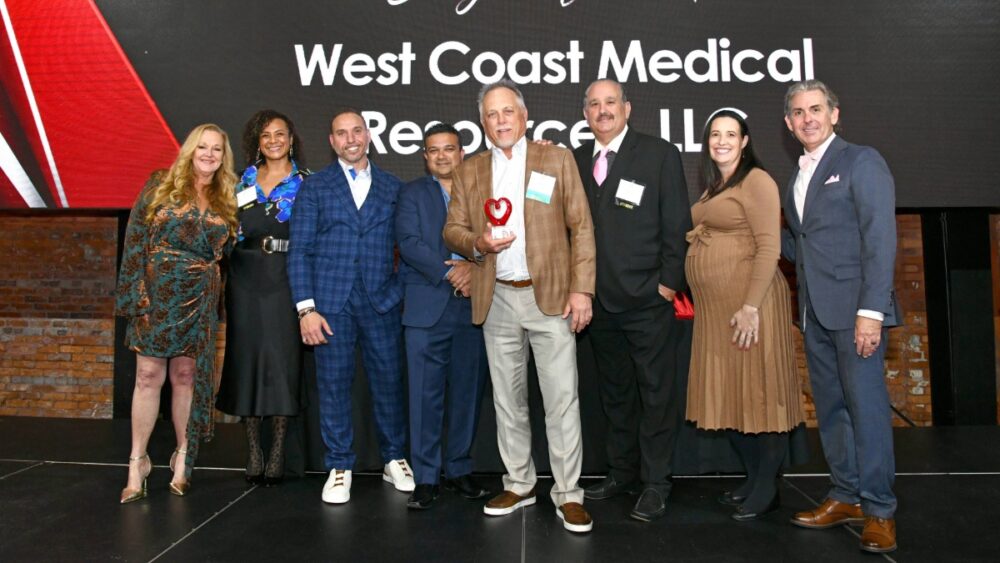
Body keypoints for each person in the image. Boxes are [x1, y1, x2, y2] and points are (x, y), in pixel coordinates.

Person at [443, 80, 597, 534]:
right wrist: (477, 242)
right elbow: (453, 230)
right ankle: (519, 482)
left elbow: (582, 227)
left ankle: (568, 493)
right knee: (509, 402)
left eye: (508, 111)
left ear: (524, 116)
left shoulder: (556, 158)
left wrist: (582, 290)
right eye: (492, 114)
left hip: (549, 296)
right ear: (483, 123)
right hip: (498, 299)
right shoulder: (469, 171)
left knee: (561, 400)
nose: (501, 120)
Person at [780, 80, 900, 553]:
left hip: (856, 316)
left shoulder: (861, 161)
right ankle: (846, 495)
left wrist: (871, 312)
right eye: (797, 112)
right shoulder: (797, 175)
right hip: (814, 314)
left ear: (834, 113)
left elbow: (879, 239)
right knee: (832, 412)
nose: (807, 118)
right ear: (789, 124)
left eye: (815, 109)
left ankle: (880, 509)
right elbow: (801, 244)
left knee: (866, 412)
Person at [572, 79, 693, 522]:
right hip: (597, 304)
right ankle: (621, 471)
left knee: (656, 394)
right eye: (594, 105)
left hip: (647, 300)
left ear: (628, 108)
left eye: (610, 103)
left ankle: (657, 482)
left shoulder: (658, 154)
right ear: (585, 114)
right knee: (616, 393)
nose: (602, 111)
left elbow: (678, 222)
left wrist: (667, 284)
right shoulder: (577, 160)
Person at [288, 108, 414, 504]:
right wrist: (307, 310)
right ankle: (339, 464)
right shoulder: (316, 187)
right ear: (332, 141)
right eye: (341, 133)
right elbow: (300, 251)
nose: (350, 139)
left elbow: (408, 248)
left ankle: (395, 459)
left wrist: (396, 294)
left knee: (390, 383)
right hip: (330, 306)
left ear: (369, 135)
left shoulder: (395, 187)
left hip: (381, 303)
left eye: (356, 131)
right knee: (333, 385)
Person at [684, 109, 804, 521]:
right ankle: (754, 480)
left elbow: (770, 247)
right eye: (715, 134)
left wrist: (751, 306)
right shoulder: (714, 187)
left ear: (745, 140)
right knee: (735, 397)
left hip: (750, 308)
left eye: (730, 134)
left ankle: (767, 488)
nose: (721, 141)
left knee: (760, 395)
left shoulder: (758, 181)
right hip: (718, 313)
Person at [115, 124, 238, 502]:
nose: (209, 154)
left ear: (223, 157)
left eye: (217, 149)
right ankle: (137, 460)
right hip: (157, 294)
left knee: (186, 375)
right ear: (189, 149)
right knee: (148, 376)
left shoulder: (228, 197)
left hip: (199, 298)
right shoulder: (159, 185)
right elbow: (135, 241)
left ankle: (183, 457)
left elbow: (228, 253)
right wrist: (135, 298)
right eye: (203, 146)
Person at [396, 123, 491, 509]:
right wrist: (452, 270)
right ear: (424, 155)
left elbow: (500, 238)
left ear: (461, 152)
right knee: (424, 396)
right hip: (425, 309)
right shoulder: (412, 193)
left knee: (467, 393)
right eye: (432, 150)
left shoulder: (482, 192)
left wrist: (474, 268)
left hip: (473, 307)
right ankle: (426, 477)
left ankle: (459, 468)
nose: (441, 156)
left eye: (448, 148)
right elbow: (410, 243)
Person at [216, 109, 311, 486]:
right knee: (247, 362)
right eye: (266, 135)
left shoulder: (307, 182)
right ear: (257, 141)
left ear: (291, 139)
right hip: (244, 278)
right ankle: (253, 449)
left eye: (280, 134)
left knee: (282, 364)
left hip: (287, 277)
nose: (273, 140)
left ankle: (277, 454)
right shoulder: (241, 181)